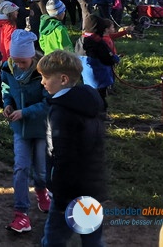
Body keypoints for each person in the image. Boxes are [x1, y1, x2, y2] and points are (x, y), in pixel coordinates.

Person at [38, 50, 106, 247]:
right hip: (92, 184)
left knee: (53, 239)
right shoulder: (89, 103)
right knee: (92, 238)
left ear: (63, 79)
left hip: (66, 191)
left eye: (45, 77)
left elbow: (59, 154)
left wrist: (54, 188)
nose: (42, 82)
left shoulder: (59, 112)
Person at [2, 29, 50, 234]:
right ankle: (21, 215)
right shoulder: (7, 68)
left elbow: (49, 102)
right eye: (16, 60)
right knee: (21, 168)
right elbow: (6, 89)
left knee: (40, 170)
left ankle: (41, 193)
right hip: (20, 129)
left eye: (23, 62)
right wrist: (7, 105)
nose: (19, 66)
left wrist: (26, 112)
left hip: (39, 128)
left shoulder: (45, 72)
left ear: (32, 57)